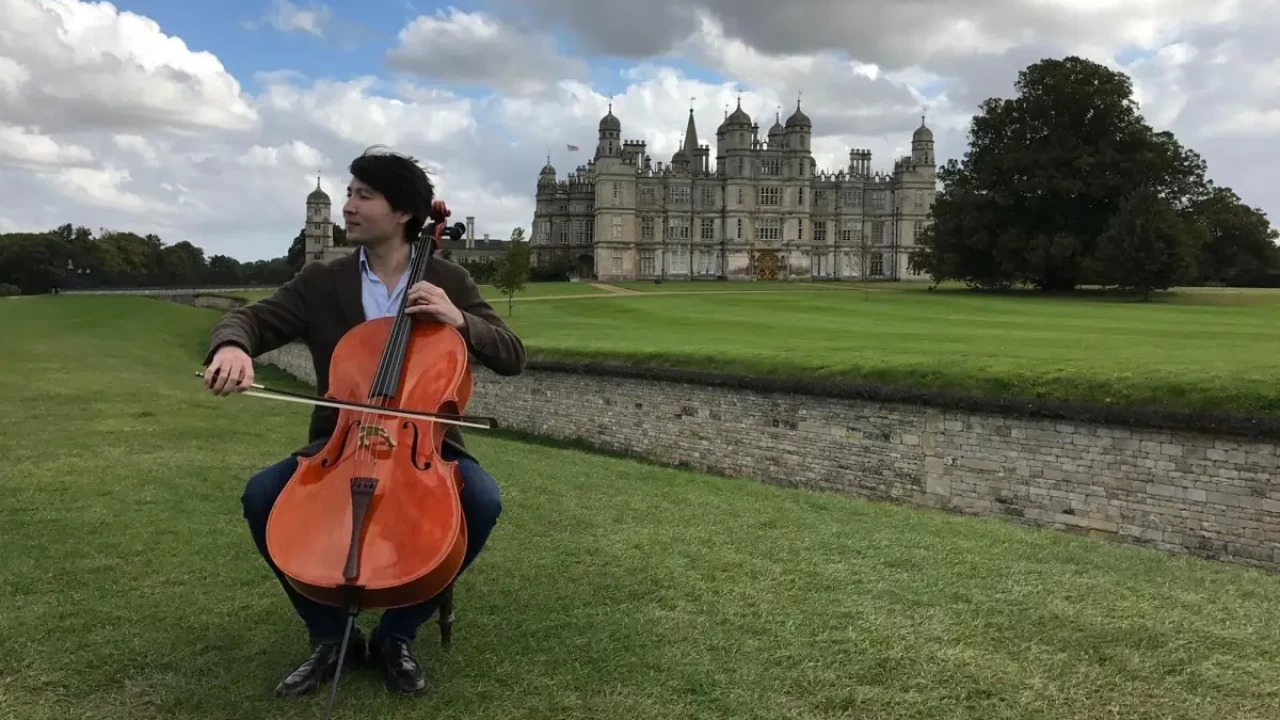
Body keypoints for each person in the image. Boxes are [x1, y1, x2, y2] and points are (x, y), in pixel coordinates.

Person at [201, 147, 525, 698]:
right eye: (348, 194)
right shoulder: (322, 281)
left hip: (426, 449)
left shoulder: (447, 278)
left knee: (482, 502)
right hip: (339, 444)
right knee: (262, 497)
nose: (347, 206)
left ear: (401, 213)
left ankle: (398, 635)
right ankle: (331, 637)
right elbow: (250, 318)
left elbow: (512, 355)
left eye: (362, 196)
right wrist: (232, 346)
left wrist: (457, 318)